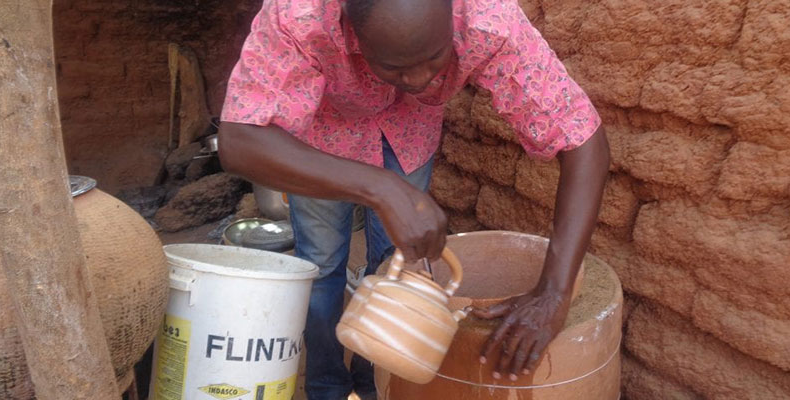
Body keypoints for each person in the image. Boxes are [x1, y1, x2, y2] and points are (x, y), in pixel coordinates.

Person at [216, 0, 610, 398]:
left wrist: (555, 293)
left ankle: (378, 384)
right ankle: (327, 386)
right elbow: (239, 141)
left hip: (408, 134)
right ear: (351, 30)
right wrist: (382, 188)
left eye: (435, 56)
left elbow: (583, 138)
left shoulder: (487, 17)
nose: (421, 78)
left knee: (397, 270)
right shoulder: (299, 15)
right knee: (321, 266)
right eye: (394, 66)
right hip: (321, 144)